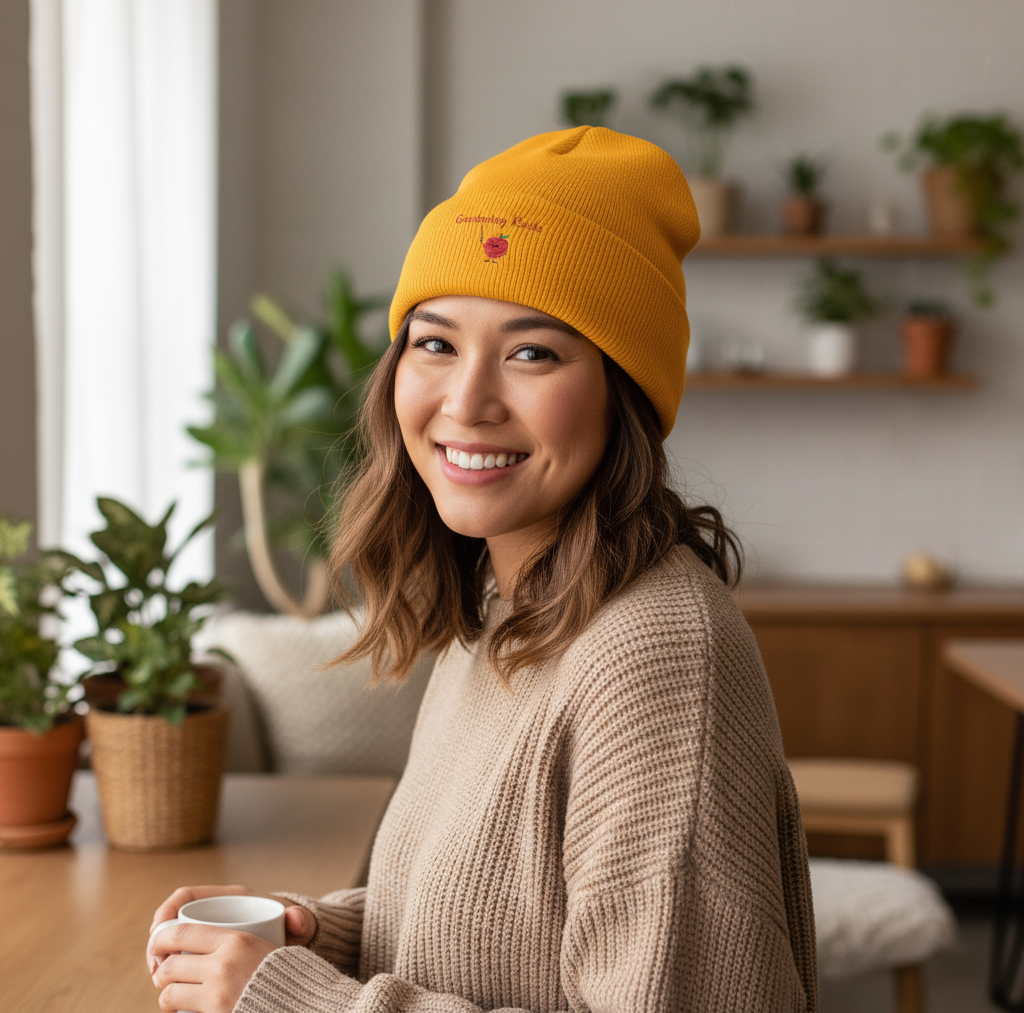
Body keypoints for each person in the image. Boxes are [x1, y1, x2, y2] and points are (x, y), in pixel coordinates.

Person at [148, 126, 818, 1013]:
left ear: (625, 394)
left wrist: (300, 1002)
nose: (466, 402)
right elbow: (512, 929)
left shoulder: (656, 658)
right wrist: (322, 932)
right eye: (435, 344)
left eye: (532, 352)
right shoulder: (507, 603)